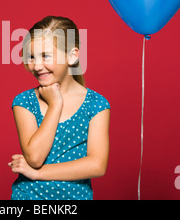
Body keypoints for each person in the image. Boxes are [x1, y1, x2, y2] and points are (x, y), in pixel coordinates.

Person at [8, 15, 111, 200]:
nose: (37, 66)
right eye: (31, 57)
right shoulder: (24, 101)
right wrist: (55, 104)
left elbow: (97, 165)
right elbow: (34, 157)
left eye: (45, 56)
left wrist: (38, 173)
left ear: (72, 56)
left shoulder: (97, 104)